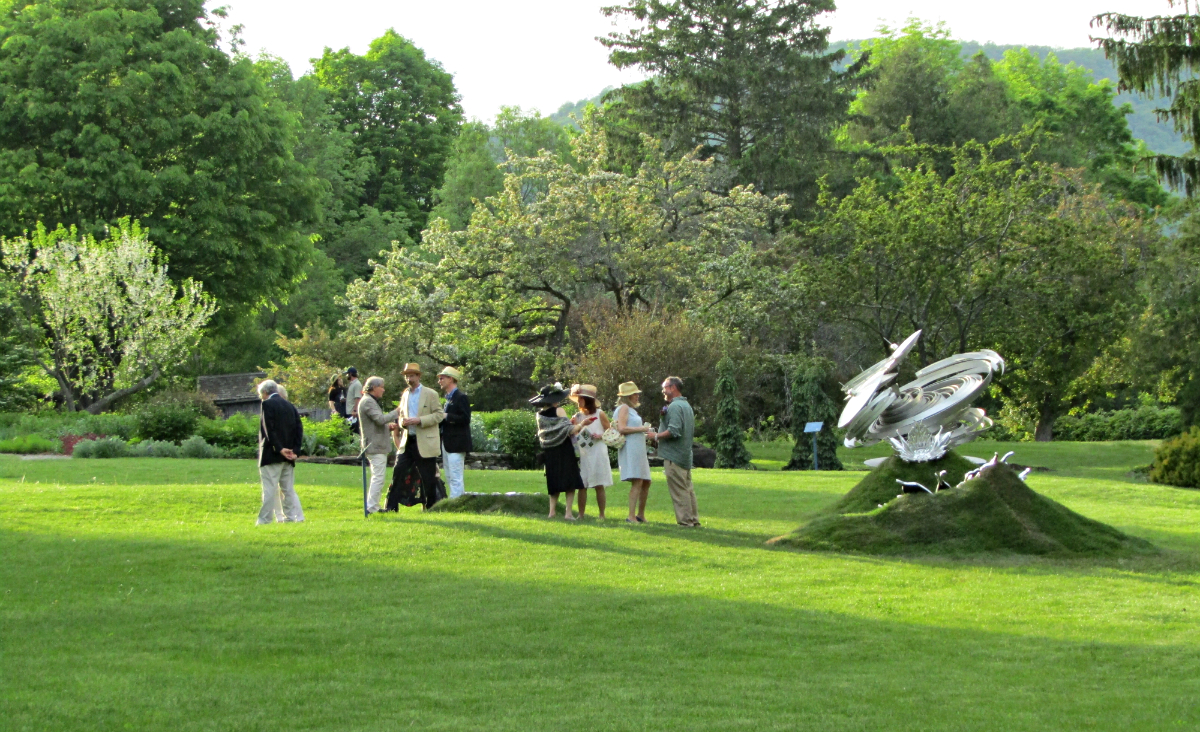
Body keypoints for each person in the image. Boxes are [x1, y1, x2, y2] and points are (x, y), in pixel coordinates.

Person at [386, 363, 446, 510]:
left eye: (411, 375)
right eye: (407, 376)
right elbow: (400, 415)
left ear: (418, 376)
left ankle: (431, 507)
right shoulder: (405, 394)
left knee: (428, 477)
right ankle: (391, 508)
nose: (408, 378)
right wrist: (402, 422)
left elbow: (439, 415)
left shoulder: (430, 394)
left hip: (424, 441)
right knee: (398, 471)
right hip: (408, 441)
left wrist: (419, 420)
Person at [532, 383, 589, 519]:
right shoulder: (560, 411)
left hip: (549, 451)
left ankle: (552, 512)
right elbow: (570, 430)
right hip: (564, 449)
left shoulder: (539, 415)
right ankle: (568, 514)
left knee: (554, 481)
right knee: (570, 481)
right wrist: (582, 424)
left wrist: (569, 423)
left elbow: (553, 430)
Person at [652, 376, 700, 527]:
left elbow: (673, 431)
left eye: (665, 387)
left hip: (674, 456)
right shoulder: (686, 406)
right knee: (688, 490)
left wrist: (655, 436)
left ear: (673, 388)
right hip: (685, 455)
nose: (663, 391)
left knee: (679, 492)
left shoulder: (674, 407)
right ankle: (693, 519)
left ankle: (685, 522)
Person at [256, 379, 305, 525]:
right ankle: (291, 517)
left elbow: (268, 429)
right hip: (289, 456)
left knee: (270, 489)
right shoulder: (290, 406)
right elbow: (299, 429)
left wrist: (279, 448)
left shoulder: (267, 404)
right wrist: (295, 450)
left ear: (264, 393)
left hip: (272, 454)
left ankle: (264, 520)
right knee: (288, 489)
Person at [613, 381, 654, 524]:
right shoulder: (623, 408)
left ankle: (641, 514)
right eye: (634, 394)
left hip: (638, 448)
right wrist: (642, 429)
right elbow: (622, 429)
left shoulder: (632, 410)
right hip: (631, 448)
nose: (637, 396)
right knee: (638, 480)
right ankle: (631, 516)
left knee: (646, 481)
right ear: (627, 396)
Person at [358, 376, 399, 515]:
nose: (383, 389)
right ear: (374, 387)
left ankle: (372, 506)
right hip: (375, 446)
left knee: (378, 477)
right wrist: (397, 412)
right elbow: (380, 419)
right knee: (378, 477)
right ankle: (372, 508)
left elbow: (376, 424)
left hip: (375, 445)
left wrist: (388, 427)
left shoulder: (368, 401)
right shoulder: (368, 402)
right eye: (381, 386)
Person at [570, 384, 612, 519]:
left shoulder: (600, 414)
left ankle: (602, 514)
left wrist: (600, 436)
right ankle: (581, 515)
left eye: (581, 398)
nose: (579, 401)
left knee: (599, 484)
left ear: (588, 400)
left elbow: (610, 431)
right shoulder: (577, 416)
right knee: (582, 484)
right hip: (584, 452)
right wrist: (573, 425)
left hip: (598, 451)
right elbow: (573, 432)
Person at [437, 366, 472, 499]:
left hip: (457, 443)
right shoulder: (448, 399)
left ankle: (456, 502)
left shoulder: (461, 397)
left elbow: (465, 419)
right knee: (449, 474)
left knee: (455, 475)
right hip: (447, 443)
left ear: (450, 379)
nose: (439, 381)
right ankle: (455, 500)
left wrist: (446, 416)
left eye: (442, 378)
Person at [345, 367, 363, 434]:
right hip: (349, 411)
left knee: (355, 432)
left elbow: (358, 398)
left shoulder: (357, 384)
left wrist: (355, 410)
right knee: (350, 432)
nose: (347, 376)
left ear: (351, 374)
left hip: (353, 413)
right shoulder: (352, 384)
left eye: (347, 374)